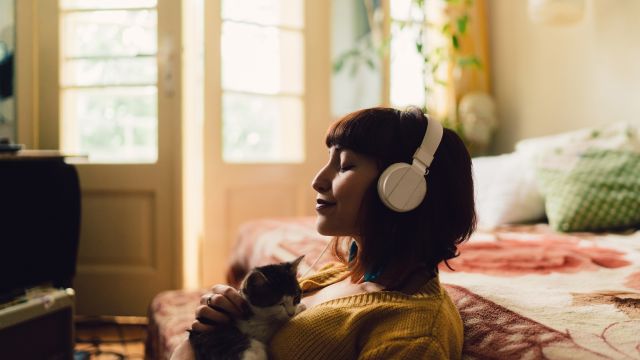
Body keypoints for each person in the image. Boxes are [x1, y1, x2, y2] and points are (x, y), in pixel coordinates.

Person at [171, 106, 476, 359]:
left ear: (402, 189)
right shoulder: (340, 274)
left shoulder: (413, 337)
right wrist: (223, 323)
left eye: (344, 166)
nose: (317, 180)